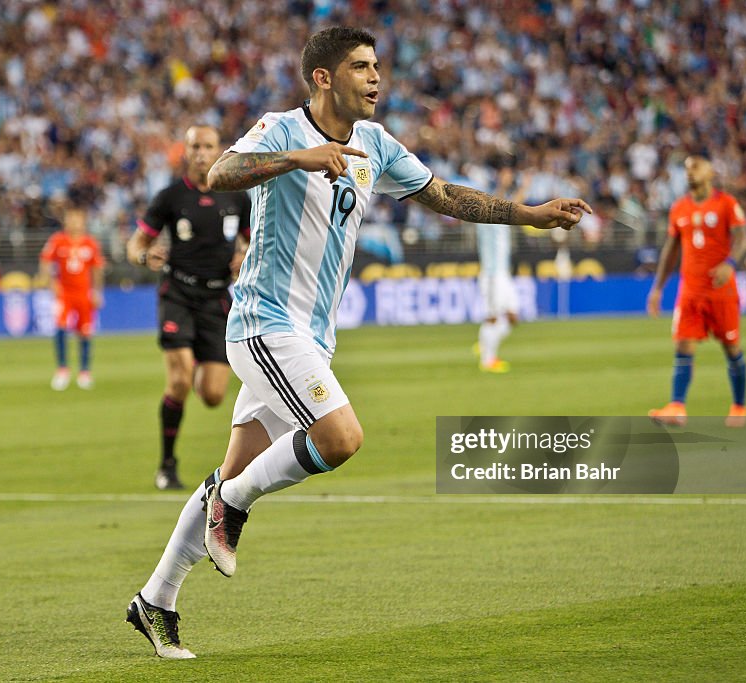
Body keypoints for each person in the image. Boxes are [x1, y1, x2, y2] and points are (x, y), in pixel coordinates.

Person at [125, 26, 591, 659]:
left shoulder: (374, 142)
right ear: (323, 78)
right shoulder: (282, 129)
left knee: (231, 470)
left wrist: (528, 215)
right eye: (361, 67)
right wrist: (297, 159)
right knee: (340, 436)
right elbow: (219, 171)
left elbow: (444, 195)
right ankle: (231, 506)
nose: (375, 78)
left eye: (377, 67)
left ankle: (156, 600)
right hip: (266, 323)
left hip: (313, 335)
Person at [126, 125, 251, 490]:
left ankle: (193, 356)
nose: (201, 152)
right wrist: (144, 255)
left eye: (208, 146)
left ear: (219, 151)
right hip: (178, 294)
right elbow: (135, 244)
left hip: (216, 299)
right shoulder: (170, 198)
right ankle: (167, 464)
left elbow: (253, 242)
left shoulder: (237, 199)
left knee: (212, 395)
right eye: (195, 146)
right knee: (179, 381)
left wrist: (243, 256)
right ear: (186, 151)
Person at [646, 153, 746, 427]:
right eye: (686, 168)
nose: (690, 172)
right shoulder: (679, 208)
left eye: (696, 167)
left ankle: (739, 407)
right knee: (682, 346)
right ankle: (677, 407)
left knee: (731, 347)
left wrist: (730, 263)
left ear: (711, 172)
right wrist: (657, 288)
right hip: (690, 290)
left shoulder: (726, 204)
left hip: (720, 290)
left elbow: (741, 238)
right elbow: (670, 251)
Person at [39, 206, 104, 390]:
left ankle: (85, 372)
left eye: (78, 219)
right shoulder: (58, 241)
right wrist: (51, 283)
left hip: (84, 293)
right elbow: (45, 260)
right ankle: (62, 370)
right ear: (66, 221)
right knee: (60, 327)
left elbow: (97, 269)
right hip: (64, 293)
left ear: (83, 221)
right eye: (71, 218)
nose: (75, 222)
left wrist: (97, 292)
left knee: (85, 332)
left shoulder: (90, 243)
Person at [475, 167, 531, 373]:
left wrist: (524, 187)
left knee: (513, 316)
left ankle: (484, 342)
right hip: (491, 275)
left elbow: (513, 205)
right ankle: (487, 359)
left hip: (502, 274)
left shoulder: (500, 216)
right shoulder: (484, 217)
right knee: (492, 316)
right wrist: (503, 184)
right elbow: (500, 201)